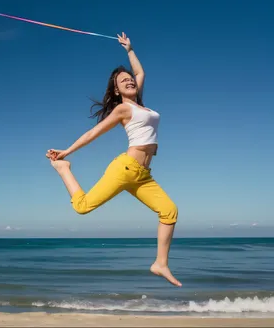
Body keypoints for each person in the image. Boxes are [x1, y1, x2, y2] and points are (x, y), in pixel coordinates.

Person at [46, 32, 181, 287]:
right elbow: (92, 133)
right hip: (125, 169)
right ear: (117, 90)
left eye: (130, 79)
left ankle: (160, 263)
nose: (130, 80)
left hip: (143, 176)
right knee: (82, 207)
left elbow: (140, 73)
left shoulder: (140, 104)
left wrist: (129, 50)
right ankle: (64, 169)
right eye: (123, 81)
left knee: (169, 211)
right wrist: (66, 152)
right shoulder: (123, 109)